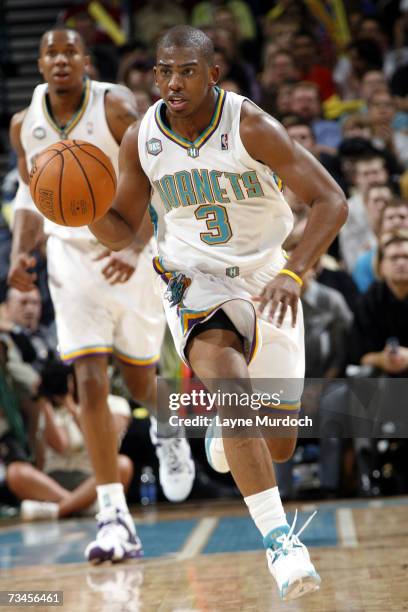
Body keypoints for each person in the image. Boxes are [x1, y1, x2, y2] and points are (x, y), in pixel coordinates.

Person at [87, 26, 347, 600]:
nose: (172, 83)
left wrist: (293, 272)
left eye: (185, 71)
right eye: (163, 71)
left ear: (213, 74)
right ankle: (281, 542)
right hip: (192, 278)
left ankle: (222, 438)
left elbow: (332, 200)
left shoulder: (251, 125)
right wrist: (84, 209)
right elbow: (124, 228)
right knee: (232, 391)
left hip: (266, 275)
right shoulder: (141, 137)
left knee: (277, 441)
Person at [7, 28, 195, 564]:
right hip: (71, 260)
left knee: (138, 379)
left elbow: (154, 171)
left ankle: (167, 427)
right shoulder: (26, 124)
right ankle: (114, 516)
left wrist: (136, 246)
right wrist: (23, 255)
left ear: (86, 61)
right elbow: (32, 192)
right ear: (40, 63)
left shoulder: (114, 106)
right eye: (51, 52)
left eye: (71, 51)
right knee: (87, 374)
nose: (61, 59)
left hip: (129, 252)